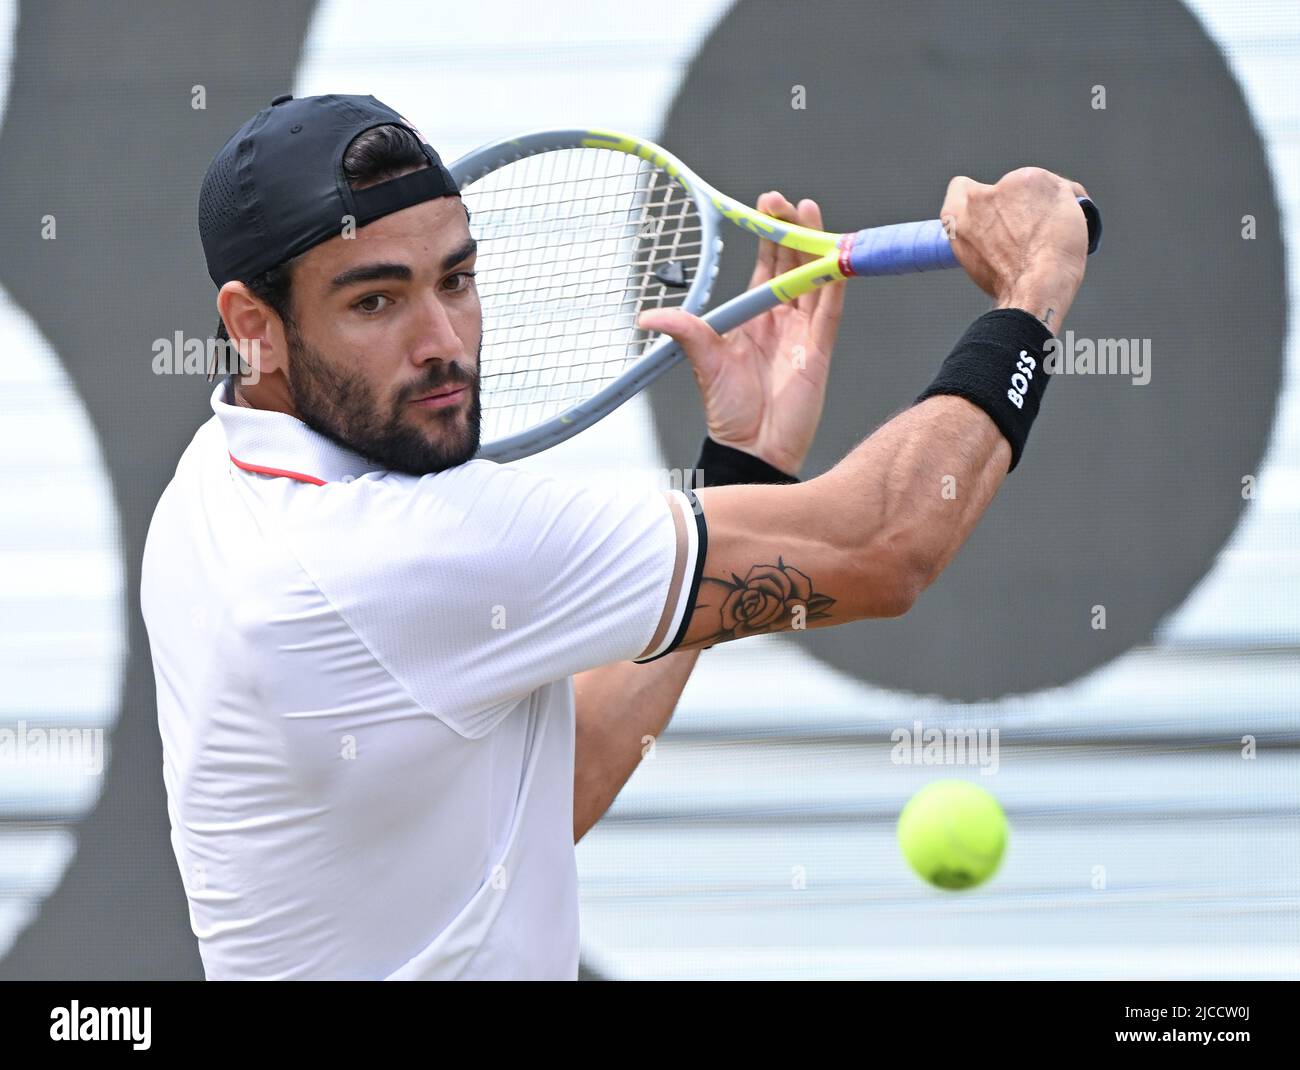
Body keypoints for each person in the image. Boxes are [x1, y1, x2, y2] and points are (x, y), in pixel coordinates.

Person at [141, 94, 1090, 980]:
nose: (444, 341)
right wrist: (1033, 284)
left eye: (457, 279)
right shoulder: (399, 555)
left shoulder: (207, 488)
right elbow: (887, 544)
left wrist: (741, 473)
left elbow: (562, 781)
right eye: (375, 302)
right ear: (252, 325)